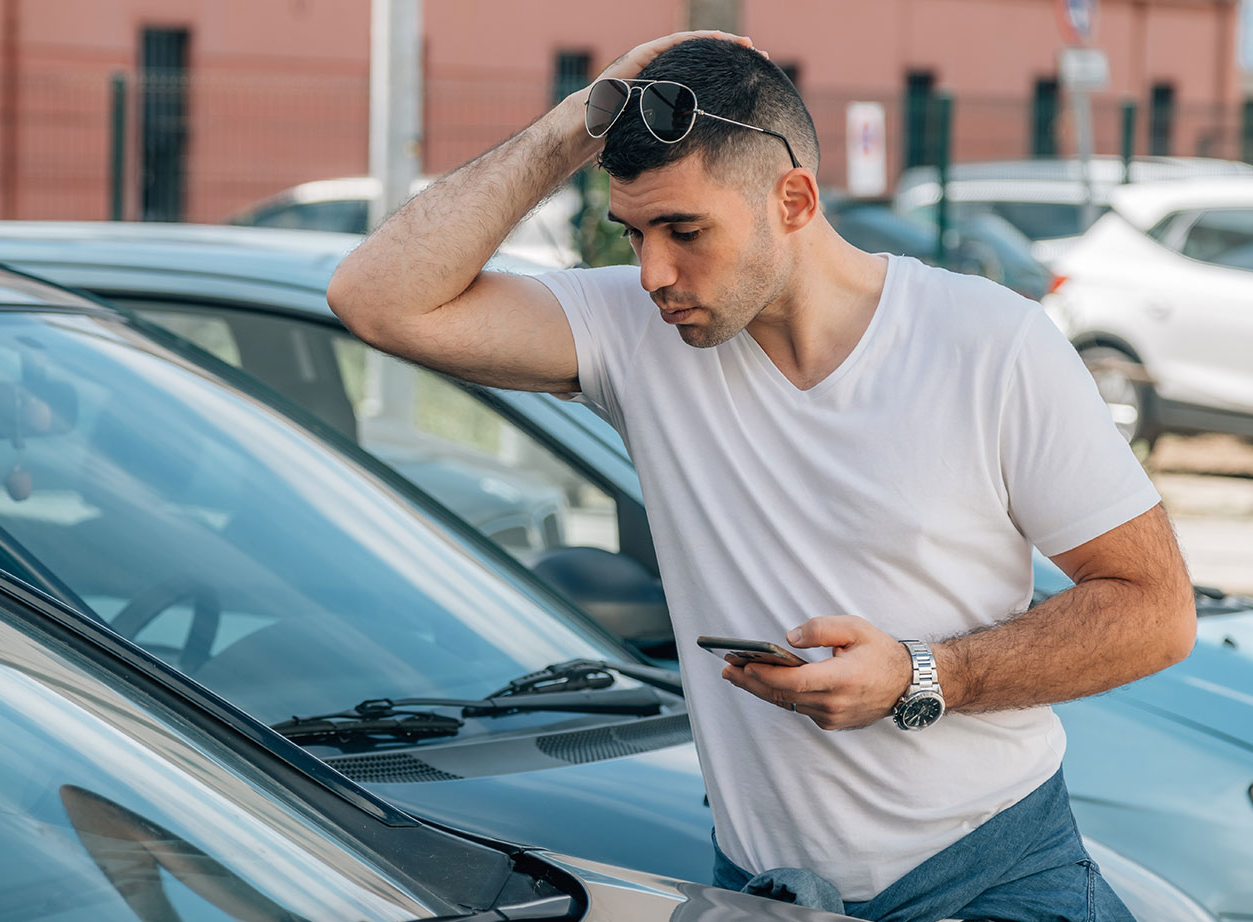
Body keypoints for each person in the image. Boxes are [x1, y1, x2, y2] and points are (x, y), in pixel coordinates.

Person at [327, 32, 1195, 922]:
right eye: (634, 233)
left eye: (685, 230)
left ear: (794, 199)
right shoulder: (635, 332)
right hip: (761, 893)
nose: (654, 272)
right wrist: (576, 124)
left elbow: (1154, 610)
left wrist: (919, 676)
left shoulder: (990, 343)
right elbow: (377, 298)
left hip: (993, 880)